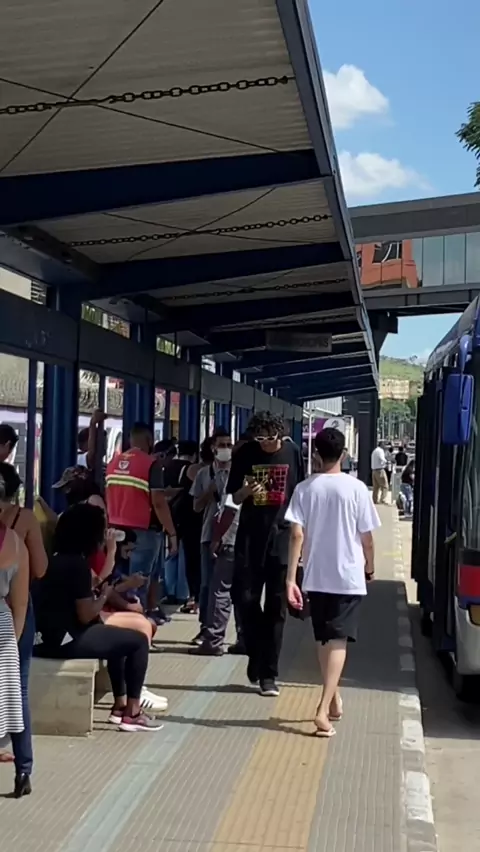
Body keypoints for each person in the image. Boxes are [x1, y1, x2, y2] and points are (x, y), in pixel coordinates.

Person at [33, 504, 163, 732]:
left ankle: (120, 706)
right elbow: (86, 615)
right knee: (138, 641)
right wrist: (103, 596)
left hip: (47, 637)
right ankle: (132, 712)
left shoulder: (57, 559)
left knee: (116, 639)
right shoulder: (77, 565)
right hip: (63, 641)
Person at [285, 428, 380, 737]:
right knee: (338, 640)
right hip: (347, 576)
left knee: (324, 639)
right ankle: (322, 709)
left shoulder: (304, 489)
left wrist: (291, 578)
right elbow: (367, 538)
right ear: (344, 454)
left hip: (316, 576)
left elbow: (296, 534)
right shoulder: (357, 489)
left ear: (316, 454)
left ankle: (335, 698)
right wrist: (370, 568)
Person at [227, 411, 304, 697]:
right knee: (243, 598)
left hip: (281, 538)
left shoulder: (292, 452)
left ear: (280, 435)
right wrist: (246, 491)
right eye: (260, 439)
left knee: (276, 608)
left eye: (270, 439)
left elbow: (300, 495)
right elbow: (233, 496)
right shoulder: (245, 453)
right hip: (250, 537)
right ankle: (256, 652)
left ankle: (268, 674)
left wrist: (301, 542)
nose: (266, 444)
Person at [0, 463, 48, 785]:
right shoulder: (23, 522)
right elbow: (40, 570)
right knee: (17, 690)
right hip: (10, 617)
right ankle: (23, 768)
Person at [106, 422, 177, 617]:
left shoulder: (113, 463)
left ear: (130, 440)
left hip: (116, 529)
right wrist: (172, 533)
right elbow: (158, 502)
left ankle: (122, 620)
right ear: (149, 440)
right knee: (138, 584)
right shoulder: (150, 464)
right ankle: (137, 625)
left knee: (120, 580)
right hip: (143, 530)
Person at [190, 428, 233, 644]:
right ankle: (205, 627)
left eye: (229, 445)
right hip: (208, 534)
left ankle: (225, 631)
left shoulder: (237, 472)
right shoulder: (203, 474)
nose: (226, 449)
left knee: (226, 587)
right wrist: (209, 491)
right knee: (207, 584)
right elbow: (196, 507)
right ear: (213, 448)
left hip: (231, 535)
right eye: (222, 445)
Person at [0, 491, 30, 797]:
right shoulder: (15, 543)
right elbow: (20, 604)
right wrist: (13, 640)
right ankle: (24, 769)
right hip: (2, 627)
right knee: (13, 698)